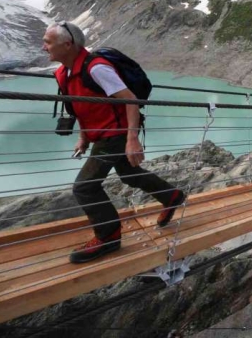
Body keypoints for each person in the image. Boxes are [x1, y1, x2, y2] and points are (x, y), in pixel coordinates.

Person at [43, 22, 186, 264]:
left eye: (48, 42)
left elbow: (130, 100)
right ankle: (171, 197)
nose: (43, 46)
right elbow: (82, 106)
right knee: (129, 175)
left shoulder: (97, 69)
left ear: (68, 45)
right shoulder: (64, 72)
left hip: (116, 134)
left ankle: (108, 236)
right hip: (102, 133)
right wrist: (84, 136)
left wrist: (131, 140)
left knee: (85, 187)